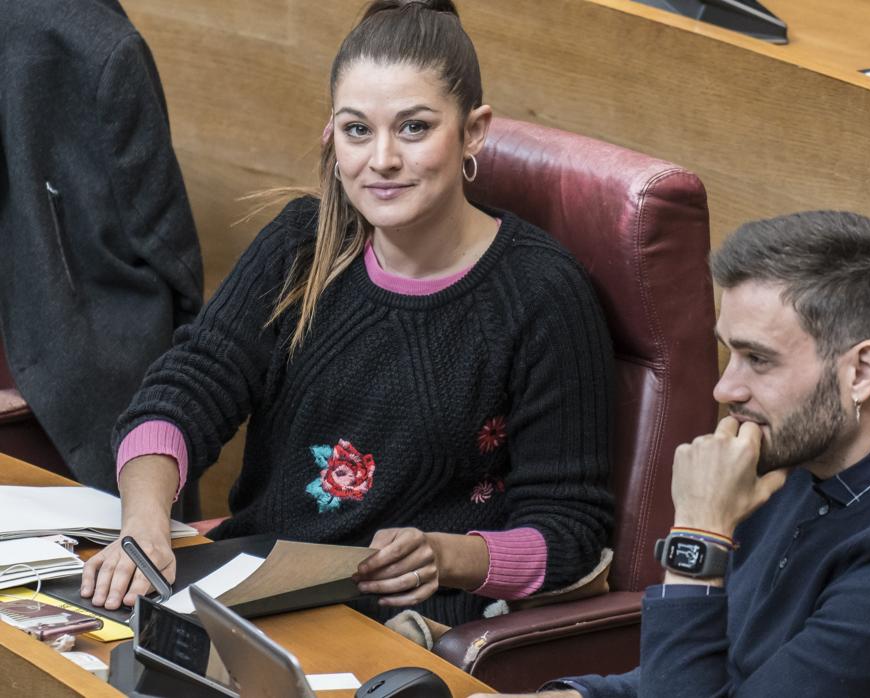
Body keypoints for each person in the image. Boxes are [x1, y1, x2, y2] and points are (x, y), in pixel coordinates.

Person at [79, 0, 614, 628]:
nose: (381, 159)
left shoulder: (543, 291)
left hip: (406, 628)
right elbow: (181, 393)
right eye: (358, 129)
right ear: (333, 134)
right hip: (253, 593)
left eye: (414, 128)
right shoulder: (301, 244)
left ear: (473, 131)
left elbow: (573, 532)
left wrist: (448, 557)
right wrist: (143, 525)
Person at [474, 211, 870, 698]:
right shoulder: (795, 457)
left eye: (758, 359)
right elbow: (694, 674)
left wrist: (699, 534)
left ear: (860, 372)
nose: (725, 389)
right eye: (730, 353)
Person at [0, 0, 204, 494]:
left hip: (67, 414)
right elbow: (173, 259)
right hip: (65, 408)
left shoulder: (95, 47)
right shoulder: (98, 45)